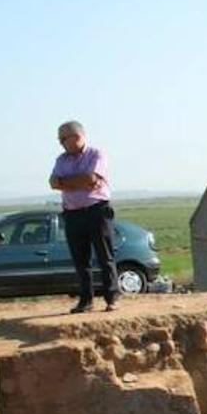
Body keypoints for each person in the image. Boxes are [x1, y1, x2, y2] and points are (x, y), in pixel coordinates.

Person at [49, 121, 119, 313]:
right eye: (59, 139)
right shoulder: (61, 160)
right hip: (72, 214)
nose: (61, 143)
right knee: (81, 260)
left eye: (63, 138)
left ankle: (112, 297)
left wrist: (67, 183)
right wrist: (78, 182)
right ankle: (86, 300)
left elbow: (91, 179)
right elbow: (53, 182)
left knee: (105, 256)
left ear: (77, 136)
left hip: (97, 211)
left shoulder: (96, 154)